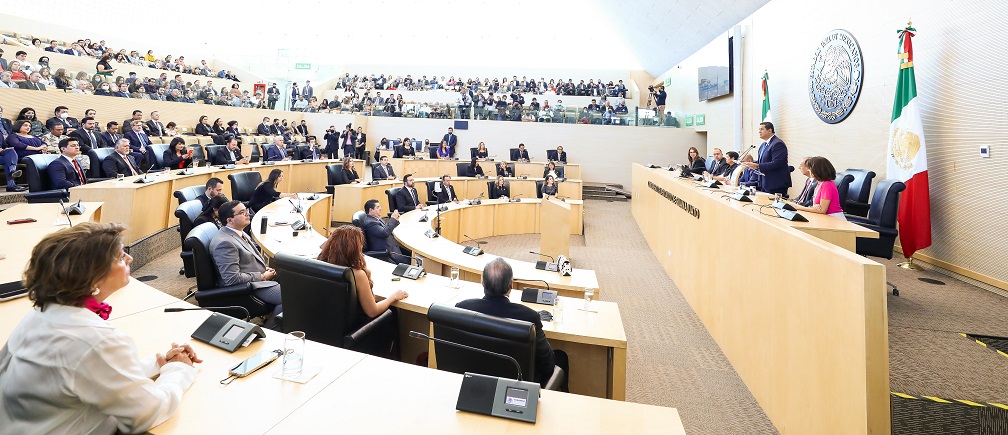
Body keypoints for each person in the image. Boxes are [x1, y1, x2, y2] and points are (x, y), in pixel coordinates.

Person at [0, 222, 199, 433]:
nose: (130, 259)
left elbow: (86, 373)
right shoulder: (95, 340)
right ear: (93, 277)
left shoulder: (41, 313)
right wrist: (178, 370)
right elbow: (147, 413)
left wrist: (157, 364)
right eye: (121, 257)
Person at [455, 258, 567, 388]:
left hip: (472, 380)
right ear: (511, 285)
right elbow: (548, 365)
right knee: (561, 357)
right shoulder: (529, 317)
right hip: (517, 386)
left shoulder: (462, 309)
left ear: (482, 282)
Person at [317, 225, 408, 319]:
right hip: (352, 328)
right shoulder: (357, 274)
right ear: (354, 249)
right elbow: (373, 311)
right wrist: (393, 297)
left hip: (324, 321)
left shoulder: (319, 264)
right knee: (393, 310)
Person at [210, 200, 283, 315]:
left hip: (256, 277)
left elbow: (248, 259)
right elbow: (232, 279)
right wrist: (262, 276)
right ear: (230, 220)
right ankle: (273, 330)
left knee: (294, 277)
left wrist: (264, 268)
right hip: (249, 287)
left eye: (246, 210)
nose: (247, 214)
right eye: (242, 212)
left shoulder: (238, 232)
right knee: (291, 298)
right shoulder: (225, 243)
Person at [742, 122, 791, 196]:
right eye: (759, 129)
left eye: (762, 129)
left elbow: (777, 163)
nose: (759, 131)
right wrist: (750, 164)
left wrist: (758, 166)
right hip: (764, 183)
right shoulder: (763, 145)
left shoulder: (777, 144)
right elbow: (761, 161)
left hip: (775, 183)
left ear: (769, 130)